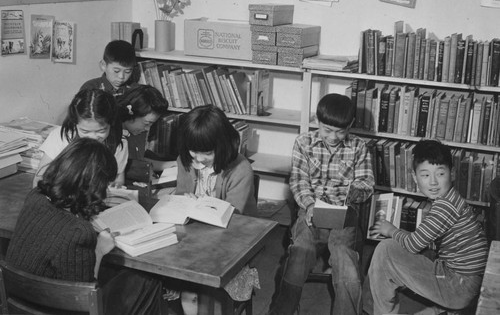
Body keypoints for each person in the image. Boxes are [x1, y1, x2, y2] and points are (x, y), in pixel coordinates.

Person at [6, 138, 163, 315]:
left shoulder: (36, 197)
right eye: (107, 184)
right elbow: (83, 304)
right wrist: (99, 251)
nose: (108, 191)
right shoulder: (79, 232)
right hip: (65, 308)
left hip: (21, 306)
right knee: (147, 281)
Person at [268, 93, 375, 315]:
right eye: (327, 130)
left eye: (340, 131)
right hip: (311, 211)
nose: (333, 137)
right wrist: (309, 206)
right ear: (317, 121)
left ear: (351, 125)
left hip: (344, 215)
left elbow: (367, 184)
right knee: (299, 252)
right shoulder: (303, 143)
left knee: (344, 258)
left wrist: (357, 191)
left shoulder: (358, 147)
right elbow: (298, 181)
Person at [362, 140, 489, 315]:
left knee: (385, 250)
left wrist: (390, 230)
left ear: (452, 174)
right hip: (466, 281)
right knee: (395, 251)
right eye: (425, 175)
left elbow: (414, 244)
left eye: (440, 174)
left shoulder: (445, 207)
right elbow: (421, 241)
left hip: (459, 287)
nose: (433, 183)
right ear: (415, 177)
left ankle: (377, 310)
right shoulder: (451, 198)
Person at [174, 104, 258, 314]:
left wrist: (203, 207)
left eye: (207, 153)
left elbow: (234, 217)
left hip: (231, 240)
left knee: (198, 288)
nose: (199, 159)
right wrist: (184, 201)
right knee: (173, 281)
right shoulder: (186, 161)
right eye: (193, 151)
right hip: (192, 238)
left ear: (222, 146)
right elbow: (180, 195)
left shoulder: (240, 168)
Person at [34, 89, 127, 187]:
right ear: (75, 124)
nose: (93, 137)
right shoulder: (61, 138)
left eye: (101, 131)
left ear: (111, 124)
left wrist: (117, 186)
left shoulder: (117, 144)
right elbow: (39, 178)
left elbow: (118, 179)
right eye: (85, 131)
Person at [117, 84, 175, 172]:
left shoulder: (138, 132)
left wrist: (173, 164)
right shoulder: (113, 136)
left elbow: (140, 162)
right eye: (146, 123)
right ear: (131, 114)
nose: (147, 129)